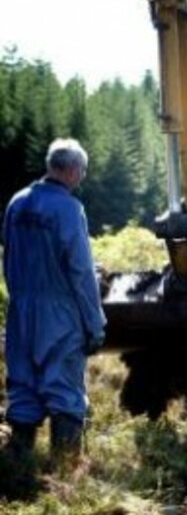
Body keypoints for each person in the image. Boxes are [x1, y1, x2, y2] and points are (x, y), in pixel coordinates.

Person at [2, 137, 106, 467]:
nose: (83, 178)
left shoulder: (16, 203)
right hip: (59, 312)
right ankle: (64, 475)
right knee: (63, 391)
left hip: (20, 309)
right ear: (73, 170)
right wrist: (95, 323)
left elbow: (7, 256)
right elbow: (81, 271)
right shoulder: (69, 209)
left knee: (23, 388)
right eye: (84, 171)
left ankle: (18, 467)